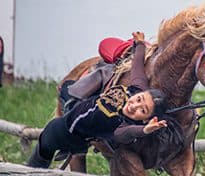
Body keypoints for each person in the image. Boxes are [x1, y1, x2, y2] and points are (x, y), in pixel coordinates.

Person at [27, 32, 168, 168]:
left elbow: (127, 133)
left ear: (144, 119)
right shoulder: (137, 89)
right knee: (66, 88)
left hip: (67, 131)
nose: (134, 106)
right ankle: (31, 174)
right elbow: (137, 67)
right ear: (141, 92)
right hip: (76, 114)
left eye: (142, 110)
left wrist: (144, 130)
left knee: (47, 140)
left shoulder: (121, 125)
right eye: (139, 100)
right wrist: (140, 44)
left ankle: (31, 175)